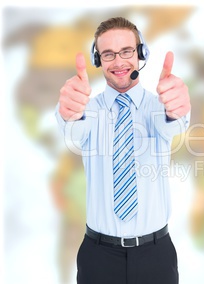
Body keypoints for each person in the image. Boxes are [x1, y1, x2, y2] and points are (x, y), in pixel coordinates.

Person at [55, 17, 191, 284]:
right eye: (108, 54)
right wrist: (68, 112)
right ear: (98, 61)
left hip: (156, 255)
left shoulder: (160, 107)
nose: (118, 62)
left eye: (127, 51)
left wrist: (178, 107)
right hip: (98, 256)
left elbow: (175, 125)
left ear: (141, 54)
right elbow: (72, 129)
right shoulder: (87, 111)